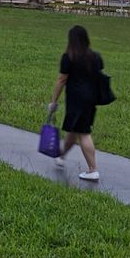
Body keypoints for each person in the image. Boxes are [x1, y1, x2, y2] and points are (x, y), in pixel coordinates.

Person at [49, 25, 105, 181]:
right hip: (91, 99)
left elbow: (61, 80)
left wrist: (53, 101)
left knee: (84, 133)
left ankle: (93, 169)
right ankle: (61, 156)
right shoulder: (95, 57)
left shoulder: (68, 57)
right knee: (74, 130)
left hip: (75, 100)